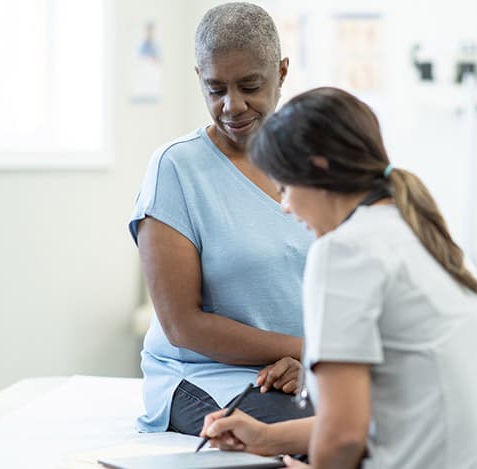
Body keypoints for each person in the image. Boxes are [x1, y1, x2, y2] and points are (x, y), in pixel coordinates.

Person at [200, 87, 477, 468]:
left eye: (286, 188)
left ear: (319, 167)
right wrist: (268, 438)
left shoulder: (343, 252)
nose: (286, 207)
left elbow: (343, 438)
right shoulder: (428, 236)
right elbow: (380, 418)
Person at [128, 3, 314, 435]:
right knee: (321, 435)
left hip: (298, 371)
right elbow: (182, 325)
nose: (232, 106)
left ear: (282, 72)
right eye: (215, 89)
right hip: (205, 377)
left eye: (250, 85)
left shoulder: (307, 161)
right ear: (199, 79)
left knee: (393, 419)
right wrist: (312, 351)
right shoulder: (176, 169)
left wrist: (315, 362)